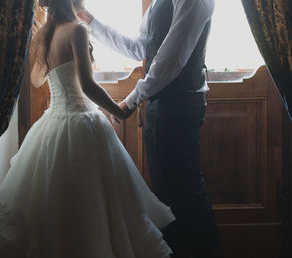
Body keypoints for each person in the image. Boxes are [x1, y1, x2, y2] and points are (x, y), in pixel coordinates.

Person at [0, 0, 175, 257]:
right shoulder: (77, 30)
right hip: (82, 123)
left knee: (57, 203)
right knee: (91, 204)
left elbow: (36, 81)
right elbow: (87, 85)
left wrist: (39, 45)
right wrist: (118, 110)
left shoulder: (43, 34)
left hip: (53, 125)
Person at [78, 0, 223, 257]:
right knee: (166, 197)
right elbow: (139, 47)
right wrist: (92, 23)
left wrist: (132, 99)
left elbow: (171, 58)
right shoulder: (158, 3)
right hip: (160, 106)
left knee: (187, 196)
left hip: (181, 104)